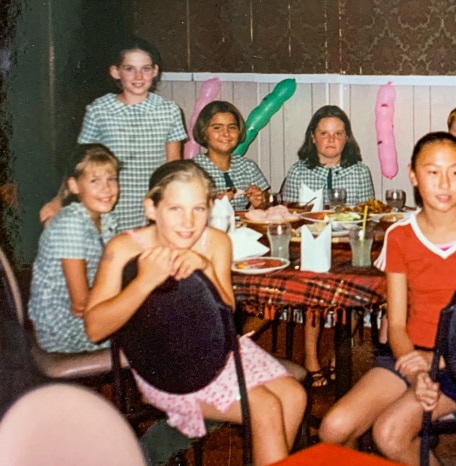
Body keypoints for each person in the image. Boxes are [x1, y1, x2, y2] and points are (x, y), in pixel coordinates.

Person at [83, 160, 306, 466]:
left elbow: (227, 312)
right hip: (163, 366)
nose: (188, 222)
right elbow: (95, 329)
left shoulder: (216, 241)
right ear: (151, 208)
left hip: (219, 349)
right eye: (176, 209)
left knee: (295, 396)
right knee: (265, 408)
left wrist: (207, 269)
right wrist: (144, 281)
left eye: (199, 209)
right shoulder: (123, 248)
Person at [318, 132, 456, 464]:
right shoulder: (400, 235)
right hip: (408, 355)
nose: (444, 183)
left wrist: (437, 362)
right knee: (333, 429)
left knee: (389, 434)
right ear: (413, 174)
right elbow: (396, 324)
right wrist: (417, 373)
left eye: (455, 172)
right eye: (432, 172)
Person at [40, 36, 187, 231]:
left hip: (153, 206)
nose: (139, 76)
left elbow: (173, 166)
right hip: (110, 205)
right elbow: (80, 162)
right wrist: (59, 199)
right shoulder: (99, 110)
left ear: (155, 71)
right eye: (129, 69)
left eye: (145, 68)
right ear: (115, 72)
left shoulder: (169, 110)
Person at [282, 105, 375, 387]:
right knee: (314, 284)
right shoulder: (299, 171)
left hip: (347, 246)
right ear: (313, 137)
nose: (331, 139)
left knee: (359, 285)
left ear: (347, 138)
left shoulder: (359, 171)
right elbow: (289, 214)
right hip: (310, 243)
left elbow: (367, 215)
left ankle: (338, 355)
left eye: (338, 133)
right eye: (324, 133)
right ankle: (311, 358)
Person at [28, 144, 119, 353]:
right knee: (152, 330)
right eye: (94, 180)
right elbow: (80, 305)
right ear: (74, 186)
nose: (106, 188)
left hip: (87, 314)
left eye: (111, 179)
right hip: (63, 329)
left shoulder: (105, 220)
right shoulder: (71, 224)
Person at [192, 100, 269, 210]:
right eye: (217, 127)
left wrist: (260, 203)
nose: (226, 133)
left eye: (232, 127)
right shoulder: (192, 170)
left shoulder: (248, 167)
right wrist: (214, 205)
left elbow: (267, 207)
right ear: (204, 132)